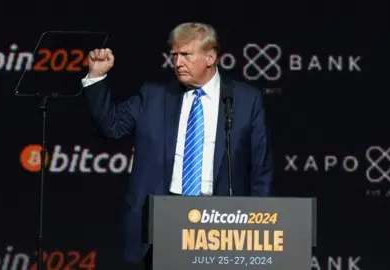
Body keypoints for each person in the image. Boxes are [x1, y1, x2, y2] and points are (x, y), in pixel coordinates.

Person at [81, 22, 274, 270]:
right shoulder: (153, 95)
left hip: (222, 224)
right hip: (164, 219)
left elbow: (261, 168)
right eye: (175, 55)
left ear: (210, 57)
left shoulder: (246, 100)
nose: (178, 62)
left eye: (186, 55)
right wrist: (97, 76)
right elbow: (111, 126)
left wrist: (258, 226)